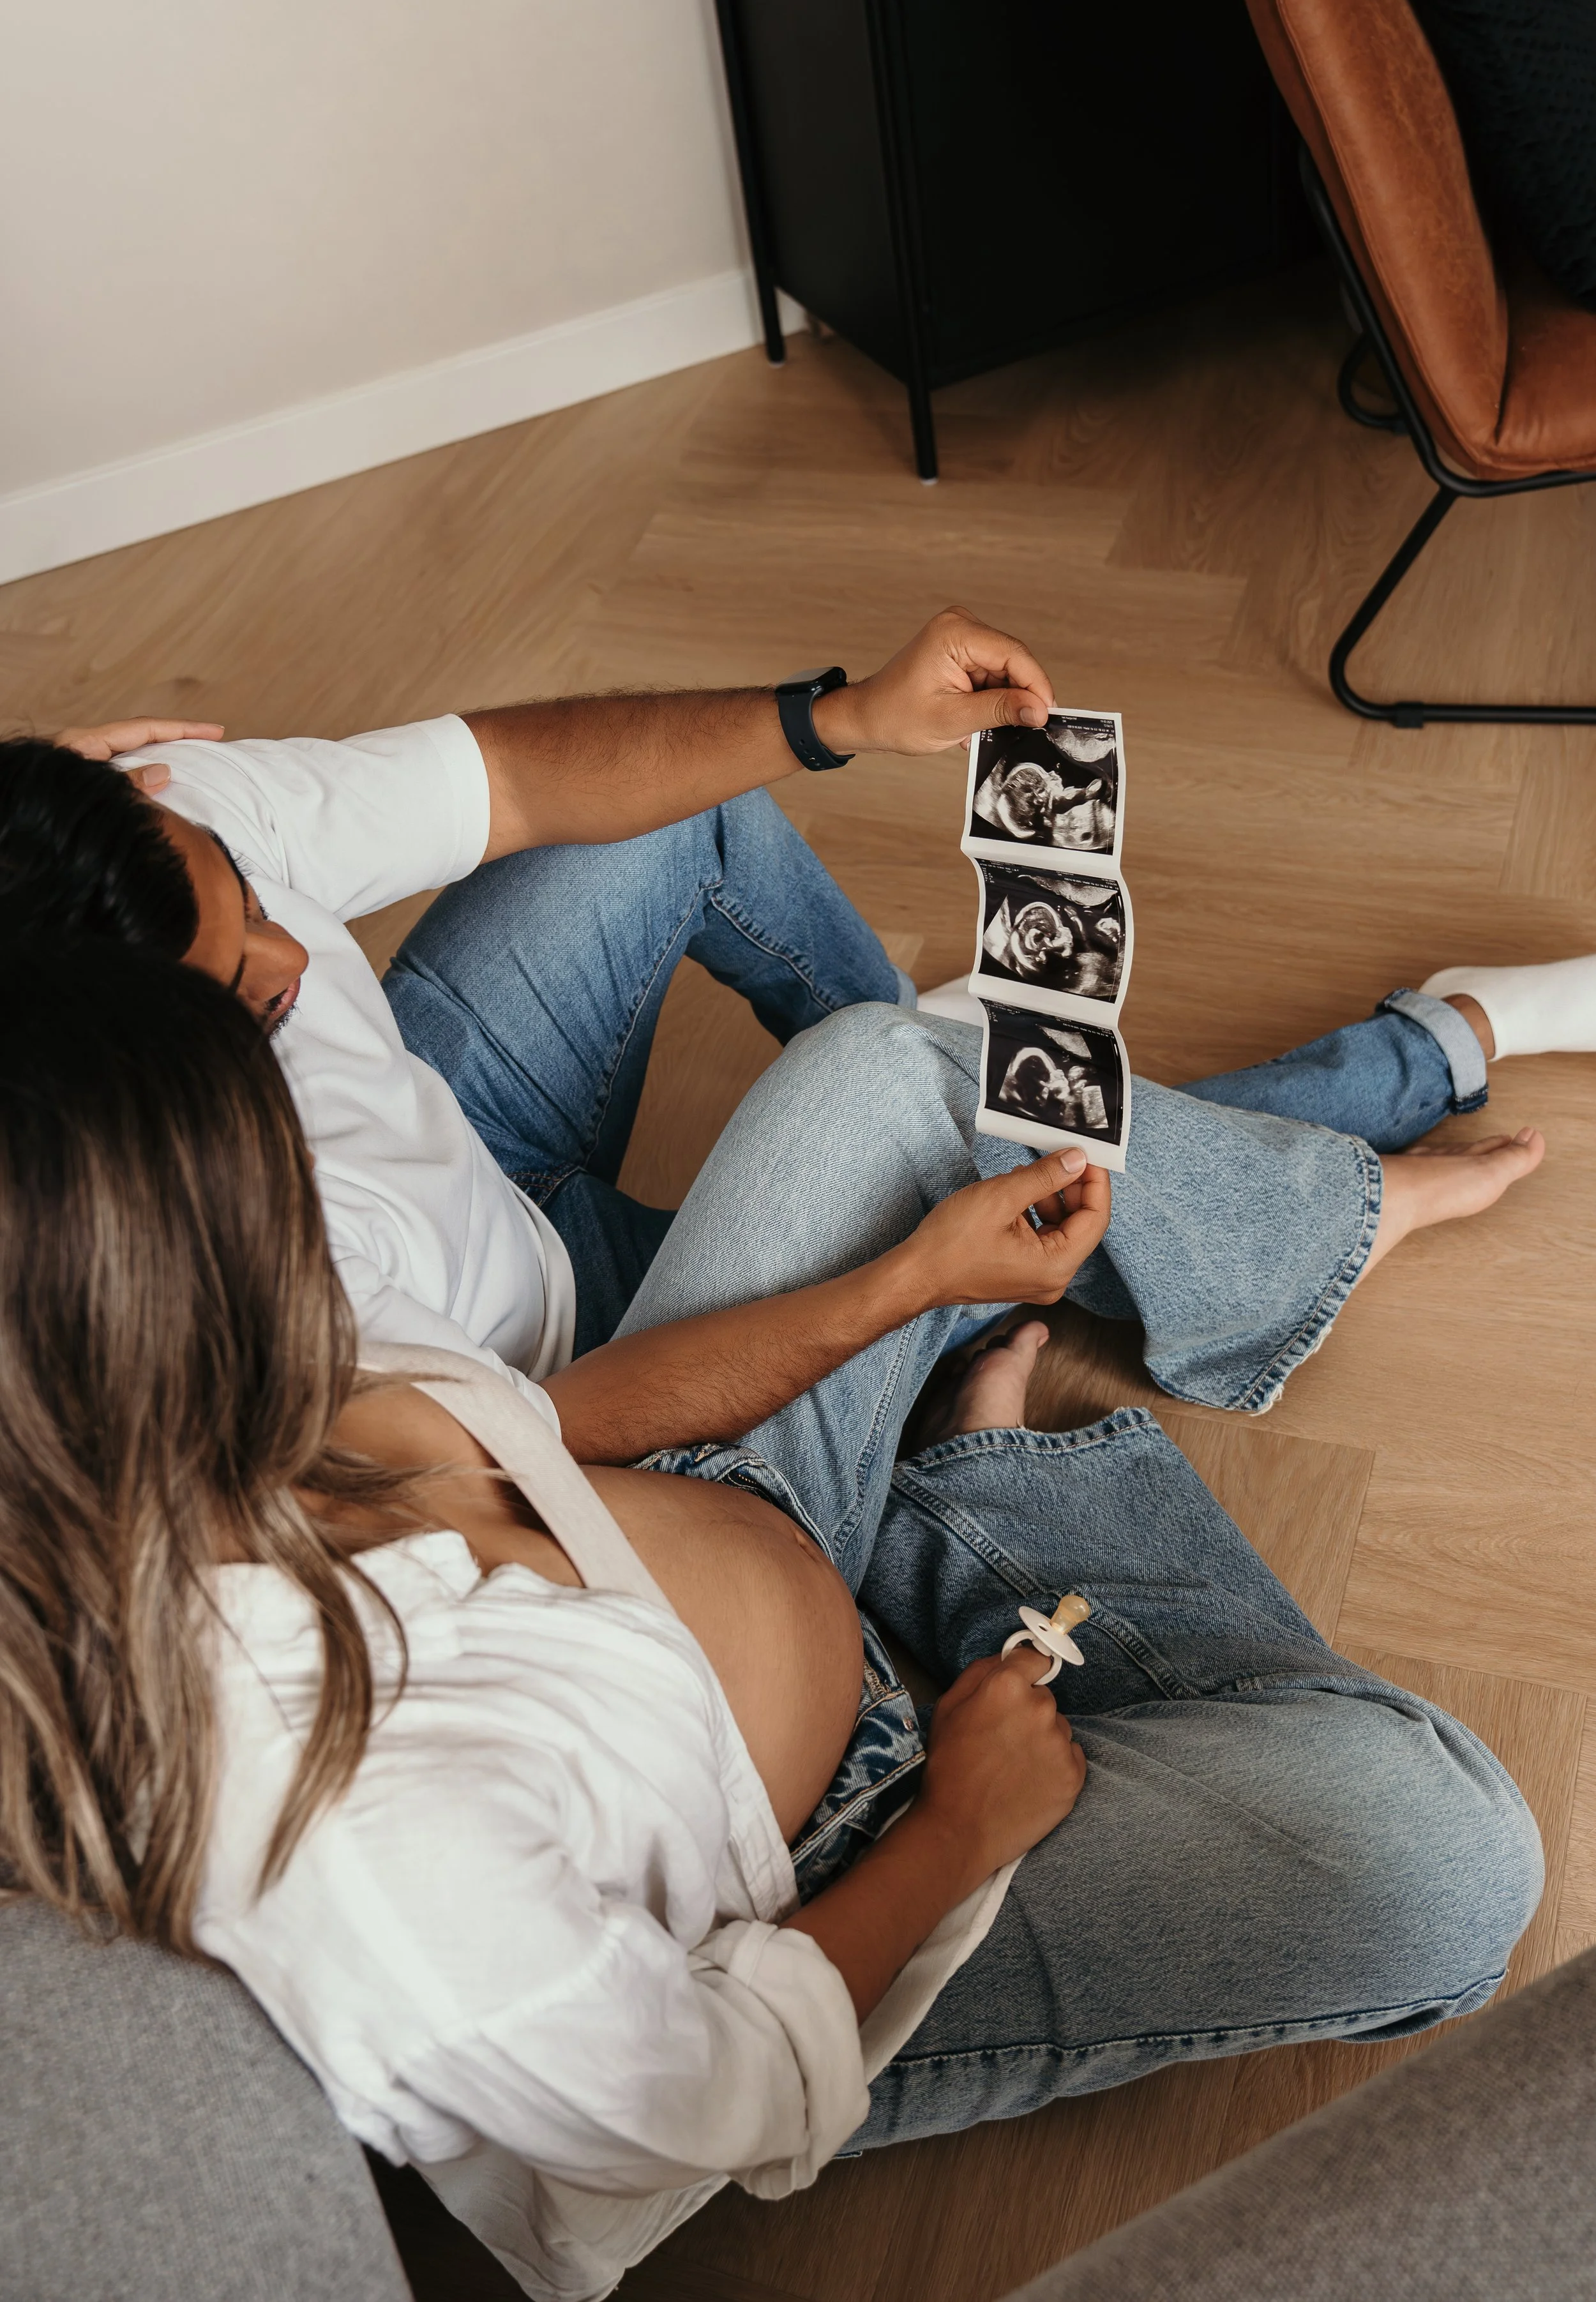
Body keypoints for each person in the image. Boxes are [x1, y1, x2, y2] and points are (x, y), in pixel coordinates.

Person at [0, 946, 1544, 2302]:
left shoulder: (163, 1422)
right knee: (1444, 1853)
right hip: (828, 1868)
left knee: (874, 1068)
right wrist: (957, 1824)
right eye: (270, 1178)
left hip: (673, 1509)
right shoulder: (324, 1831)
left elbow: (551, 1425)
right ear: (161, 1308)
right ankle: (981, 1498)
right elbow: (689, 2090)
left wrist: (897, 1286)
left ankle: (1297, 1250)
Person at [4, 620, 1592, 1455]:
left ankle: (949, 1094)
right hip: (569, 1377)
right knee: (905, 1104)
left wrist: (833, 714)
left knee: (674, 820)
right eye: (248, 996)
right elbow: (523, 1455)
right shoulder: (174, 1301)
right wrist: (898, 1280)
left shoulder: (151, 820)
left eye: (242, 895)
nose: (294, 952)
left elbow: (518, 779)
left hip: (466, 1161)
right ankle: (1375, 1122)